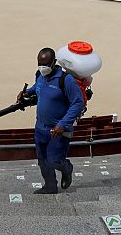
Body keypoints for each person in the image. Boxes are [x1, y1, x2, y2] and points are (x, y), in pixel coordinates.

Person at [17, 47, 85, 194]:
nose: (42, 67)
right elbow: (38, 88)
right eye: (39, 63)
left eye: (46, 64)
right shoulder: (40, 76)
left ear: (54, 62)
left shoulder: (65, 80)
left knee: (53, 160)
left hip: (59, 131)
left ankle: (67, 168)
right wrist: (26, 93)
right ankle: (50, 186)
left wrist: (62, 124)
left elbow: (78, 103)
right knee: (42, 160)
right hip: (40, 128)